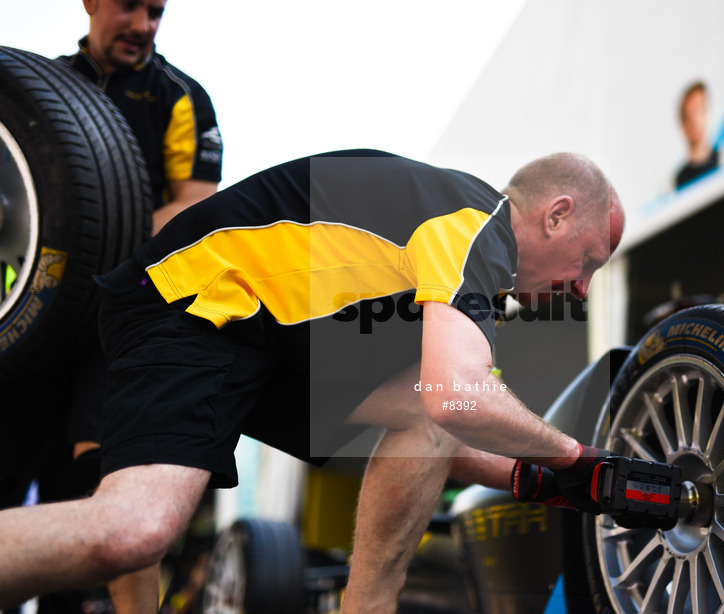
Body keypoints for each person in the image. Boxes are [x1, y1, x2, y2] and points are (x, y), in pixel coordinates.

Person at [0, 149, 624, 614]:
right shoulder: (475, 228)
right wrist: (575, 453)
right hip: (192, 301)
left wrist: (564, 479)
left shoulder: (466, 271)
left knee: (423, 415)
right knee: (133, 530)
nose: (581, 288)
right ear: (556, 215)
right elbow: (456, 393)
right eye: (589, 260)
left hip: (270, 340)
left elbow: (448, 426)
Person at [0, 0, 222, 611]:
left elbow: (195, 205)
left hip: (113, 323)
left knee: (94, 484)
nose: (144, 25)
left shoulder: (180, 97)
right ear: (92, 3)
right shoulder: (40, 87)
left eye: (157, 11)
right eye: (129, 6)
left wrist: (88, 233)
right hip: (31, 322)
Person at [675, 80, 719, 188]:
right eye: (689, 114)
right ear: (683, 125)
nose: (695, 120)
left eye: (699, 110)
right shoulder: (676, 183)